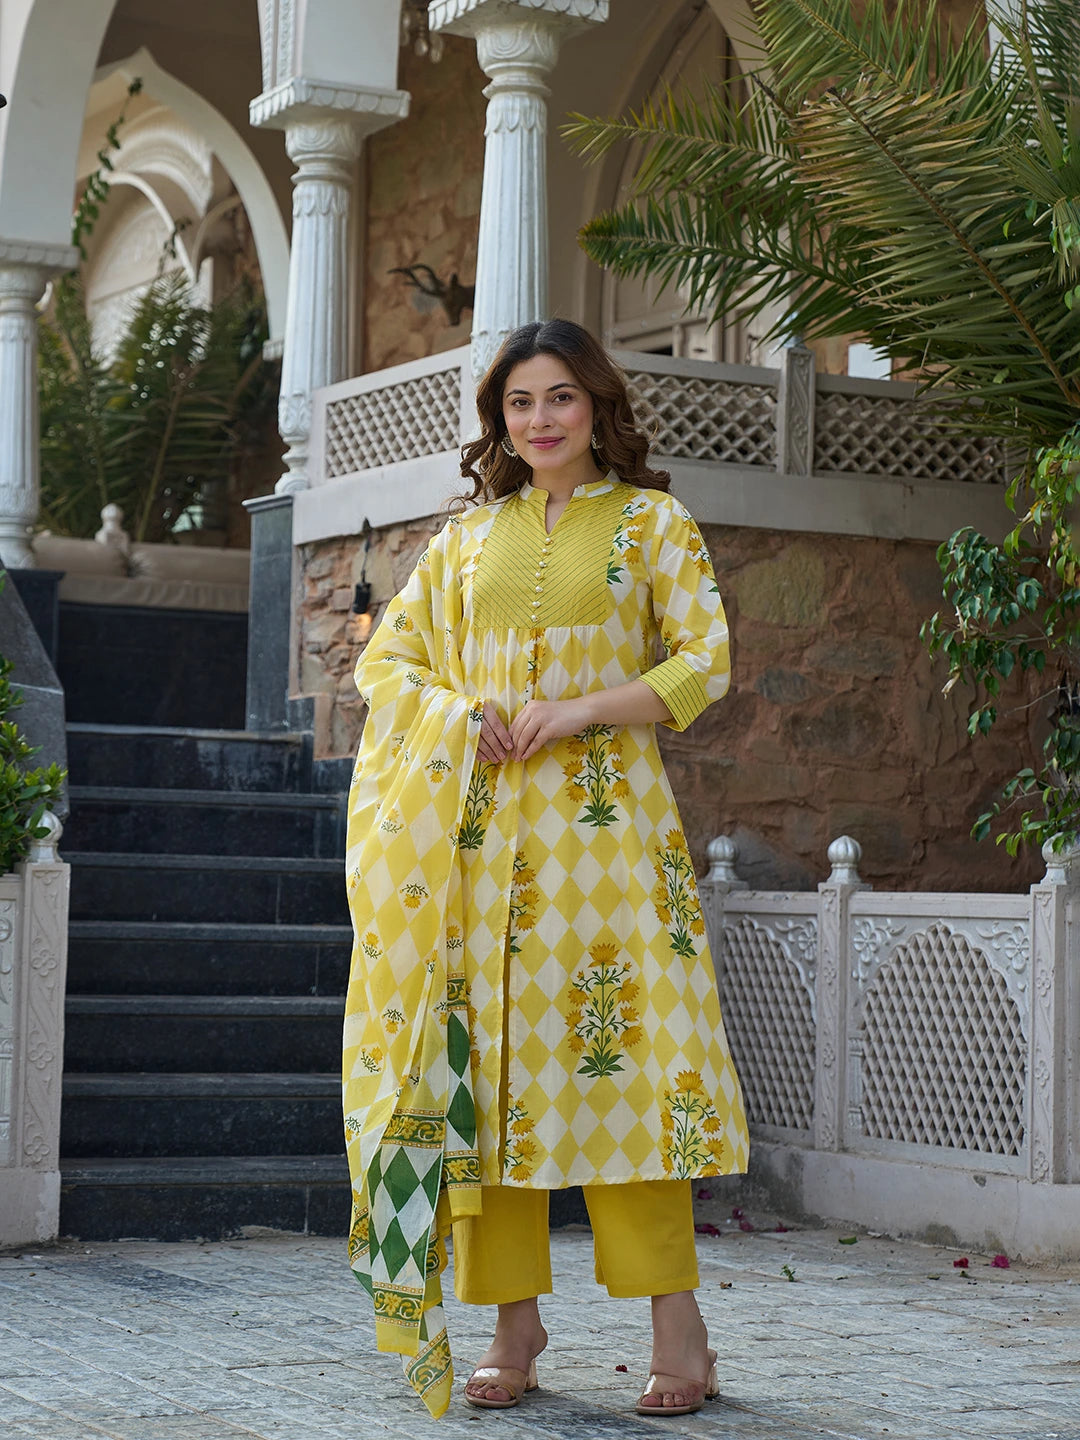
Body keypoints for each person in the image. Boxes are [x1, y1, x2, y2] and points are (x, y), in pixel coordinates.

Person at [342, 319, 748, 1420]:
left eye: (559, 397)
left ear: (597, 405)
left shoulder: (653, 523)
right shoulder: (469, 539)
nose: (540, 420)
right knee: (490, 1081)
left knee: (633, 1075)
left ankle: (679, 1331)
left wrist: (579, 710)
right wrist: (460, 710)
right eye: (519, 403)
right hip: (478, 852)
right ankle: (511, 1325)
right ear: (500, 420)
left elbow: (704, 662)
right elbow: (390, 660)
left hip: (609, 850)